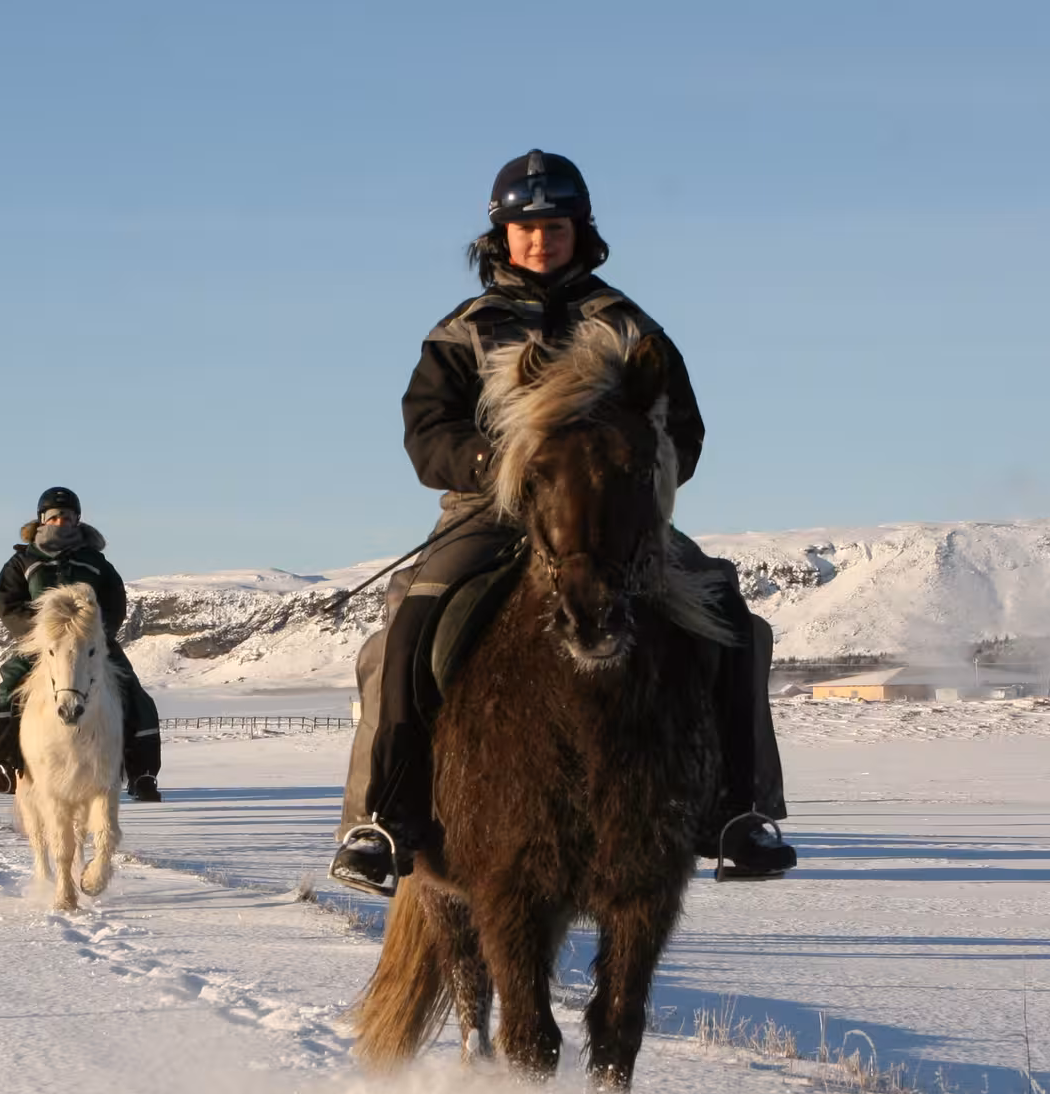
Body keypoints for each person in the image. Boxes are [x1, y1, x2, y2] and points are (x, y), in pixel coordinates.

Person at [330, 149, 796, 894]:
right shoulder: (465, 331)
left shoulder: (630, 325)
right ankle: (381, 819)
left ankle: (740, 811)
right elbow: (427, 431)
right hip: (492, 510)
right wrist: (494, 467)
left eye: (555, 225)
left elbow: (684, 427)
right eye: (526, 227)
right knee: (408, 623)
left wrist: (639, 480)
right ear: (501, 237)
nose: (541, 240)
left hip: (613, 515)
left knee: (731, 615)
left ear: (581, 230)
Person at [0, 486, 163, 802]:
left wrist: (95, 634)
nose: (61, 523)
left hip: (90, 645)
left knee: (135, 693)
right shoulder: (22, 562)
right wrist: (42, 632)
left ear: (77, 521)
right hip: (41, 646)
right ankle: (6, 767)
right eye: (54, 517)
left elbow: (114, 602)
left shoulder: (95, 562)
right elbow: (9, 605)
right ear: (42, 520)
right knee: (6, 692)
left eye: (67, 517)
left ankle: (142, 773)